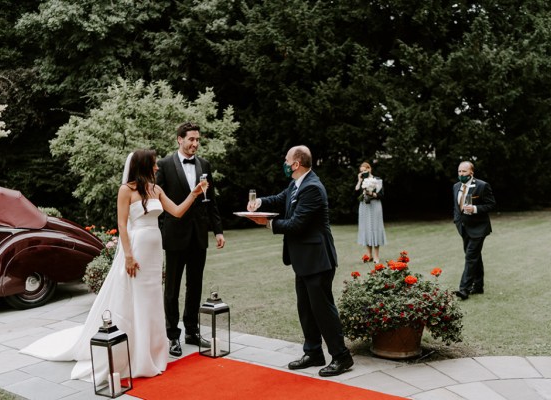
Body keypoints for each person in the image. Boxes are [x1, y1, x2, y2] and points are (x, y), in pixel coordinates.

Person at [20, 150, 205, 381]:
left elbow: (176, 212)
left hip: (155, 252)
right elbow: (121, 223)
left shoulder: (156, 189)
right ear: (143, 165)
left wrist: (194, 194)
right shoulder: (125, 190)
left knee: (153, 297)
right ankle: (136, 352)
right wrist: (128, 255)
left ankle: (153, 350)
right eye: (154, 164)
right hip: (137, 248)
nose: (157, 168)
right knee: (136, 297)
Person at [245, 145, 354, 377]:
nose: (284, 163)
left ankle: (342, 356)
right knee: (305, 308)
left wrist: (266, 223)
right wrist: (260, 203)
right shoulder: (297, 183)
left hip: (318, 259)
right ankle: (314, 352)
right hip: (303, 260)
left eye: (286, 160)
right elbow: (280, 199)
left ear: (296, 164)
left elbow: (296, 224)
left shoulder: (313, 187)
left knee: (323, 309)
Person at [156, 122, 225, 357]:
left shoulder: (204, 165)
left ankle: (192, 332)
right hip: (174, 236)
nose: (195, 143)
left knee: (195, 285)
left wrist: (217, 230)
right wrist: (161, 230)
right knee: (172, 289)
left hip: (199, 235)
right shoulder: (164, 165)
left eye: (197, 140)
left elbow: (211, 201)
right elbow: (157, 203)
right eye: (191, 139)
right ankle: (172, 336)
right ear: (179, 139)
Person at [453, 161, 496, 300]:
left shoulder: (482, 186)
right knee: (475, 256)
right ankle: (478, 286)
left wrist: (475, 209)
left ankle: (464, 289)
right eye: (459, 171)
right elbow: (456, 207)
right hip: (463, 227)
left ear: (471, 172)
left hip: (479, 228)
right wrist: (457, 221)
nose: (461, 174)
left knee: (470, 256)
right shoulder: (456, 186)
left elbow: (491, 204)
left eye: (464, 172)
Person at [354, 161, 387, 263]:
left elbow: (381, 195)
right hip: (364, 206)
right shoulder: (362, 181)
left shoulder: (377, 180)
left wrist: (371, 193)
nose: (364, 172)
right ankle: (369, 254)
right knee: (366, 228)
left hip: (375, 206)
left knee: (375, 228)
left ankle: (376, 256)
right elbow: (356, 190)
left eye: (365, 170)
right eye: (361, 171)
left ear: (369, 169)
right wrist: (359, 180)